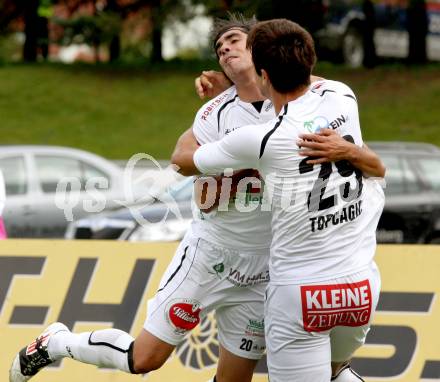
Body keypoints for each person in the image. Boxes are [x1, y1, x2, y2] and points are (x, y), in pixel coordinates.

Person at [9, 16, 384, 382]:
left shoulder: (308, 99)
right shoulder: (217, 111)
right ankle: (57, 343)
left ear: (262, 57)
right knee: (144, 358)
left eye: (235, 41)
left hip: (265, 265)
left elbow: (303, 78)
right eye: (220, 49)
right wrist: (230, 172)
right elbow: (181, 158)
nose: (226, 50)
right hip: (212, 255)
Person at [172, 18, 385, 382]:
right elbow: (377, 167)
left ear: (264, 75)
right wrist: (235, 85)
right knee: (336, 374)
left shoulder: (261, 139)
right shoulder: (342, 97)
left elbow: (183, 162)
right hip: (360, 287)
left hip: (301, 294)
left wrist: (229, 95)